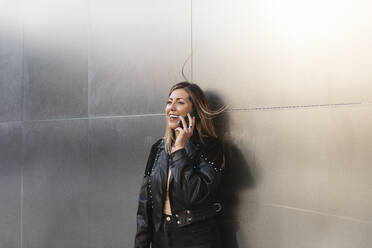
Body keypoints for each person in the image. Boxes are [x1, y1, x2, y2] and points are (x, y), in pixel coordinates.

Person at [134, 82, 226, 248]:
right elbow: (145, 205)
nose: (172, 108)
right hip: (162, 238)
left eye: (180, 102)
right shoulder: (159, 148)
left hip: (197, 239)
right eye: (169, 102)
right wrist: (140, 244)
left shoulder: (211, 147)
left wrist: (180, 150)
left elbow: (194, 195)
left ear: (195, 111)